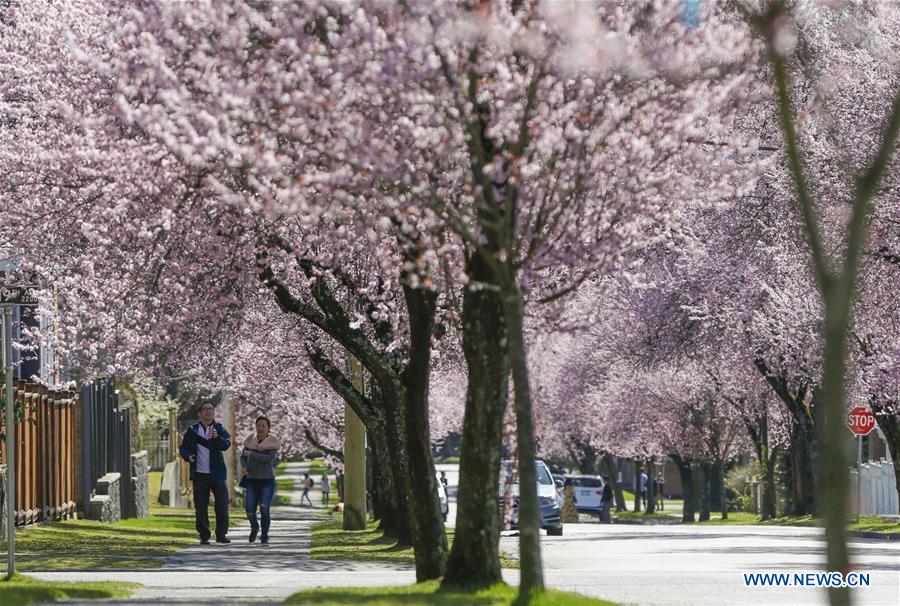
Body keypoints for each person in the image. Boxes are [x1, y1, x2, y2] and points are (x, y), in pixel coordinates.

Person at [179, 402, 232, 545]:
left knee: (221, 504)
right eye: (205, 409)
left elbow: (226, 445)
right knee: (201, 505)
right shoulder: (192, 430)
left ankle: (221, 534)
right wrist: (188, 456)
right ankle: (204, 534)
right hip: (200, 474)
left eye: (211, 408)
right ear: (199, 413)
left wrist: (216, 437)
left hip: (217, 473)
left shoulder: (219, 428)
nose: (209, 411)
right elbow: (183, 448)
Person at [241, 416, 280, 545]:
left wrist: (252, 455)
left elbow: (268, 459)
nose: (261, 428)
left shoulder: (272, 442)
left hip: (267, 480)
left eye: (264, 426)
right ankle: (254, 527)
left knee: (264, 508)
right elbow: (243, 457)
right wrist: (245, 466)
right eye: (259, 425)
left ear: (268, 428)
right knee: (250, 510)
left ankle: (264, 535)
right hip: (252, 479)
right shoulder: (250, 440)